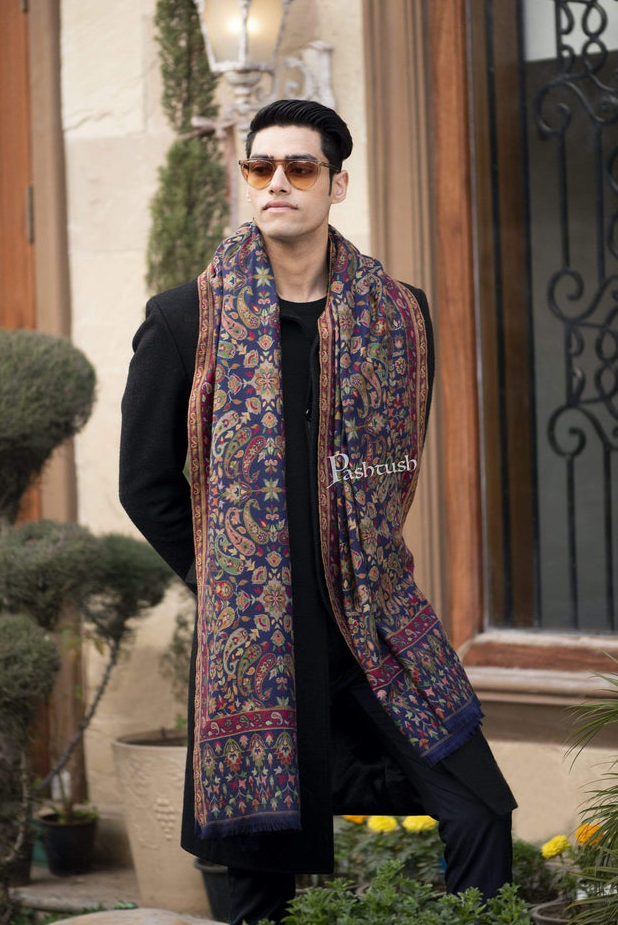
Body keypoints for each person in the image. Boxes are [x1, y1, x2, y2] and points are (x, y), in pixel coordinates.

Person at [119, 99, 516, 925]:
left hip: (375, 622)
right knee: (258, 873)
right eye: (260, 166)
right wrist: (221, 575)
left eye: (299, 168)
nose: (277, 183)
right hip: (257, 637)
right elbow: (145, 482)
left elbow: (396, 461)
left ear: (337, 185)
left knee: (479, 806)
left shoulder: (398, 315)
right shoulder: (185, 319)